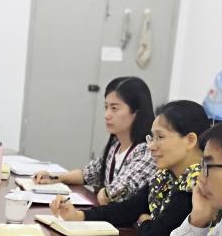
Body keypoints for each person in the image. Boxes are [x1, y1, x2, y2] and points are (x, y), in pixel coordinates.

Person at [49, 100, 209, 236]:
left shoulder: (197, 183)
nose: (151, 146)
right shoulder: (165, 177)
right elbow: (127, 209)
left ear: (190, 140)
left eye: (160, 137)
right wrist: (78, 215)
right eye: (151, 138)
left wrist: (143, 221)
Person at [33, 76, 156, 204]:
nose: (106, 115)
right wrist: (54, 177)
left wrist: (103, 193)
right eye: (106, 107)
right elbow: (88, 174)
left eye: (114, 108)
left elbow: (113, 194)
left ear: (136, 112)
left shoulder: (147, 151)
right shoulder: (116, 146)